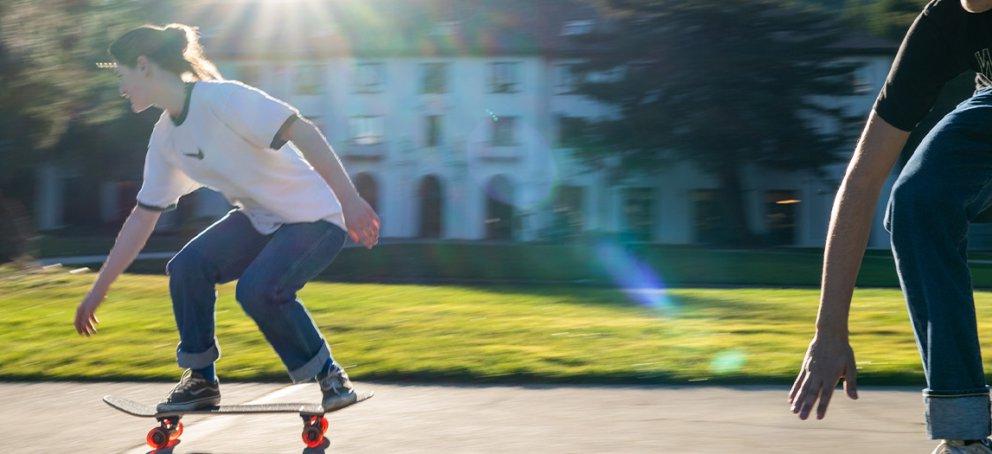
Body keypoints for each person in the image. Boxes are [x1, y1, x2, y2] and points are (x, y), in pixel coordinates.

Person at [72, 23, 380, 413]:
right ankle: (201, 381)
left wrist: (350, 201)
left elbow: (302, 130)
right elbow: (142, 217)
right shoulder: (166, 138)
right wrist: (98, 289)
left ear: (144, 65)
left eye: (122, 76)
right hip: (260, 220)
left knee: (257, 290)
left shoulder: (222, 100)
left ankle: (331, 376)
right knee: (187, 268)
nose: (121, 88)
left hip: (315, 218)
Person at [789, 1, 992, 452]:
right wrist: (829, 331)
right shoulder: (942, 25)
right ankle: (963, 432)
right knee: (917, 200)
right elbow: (863, 178)